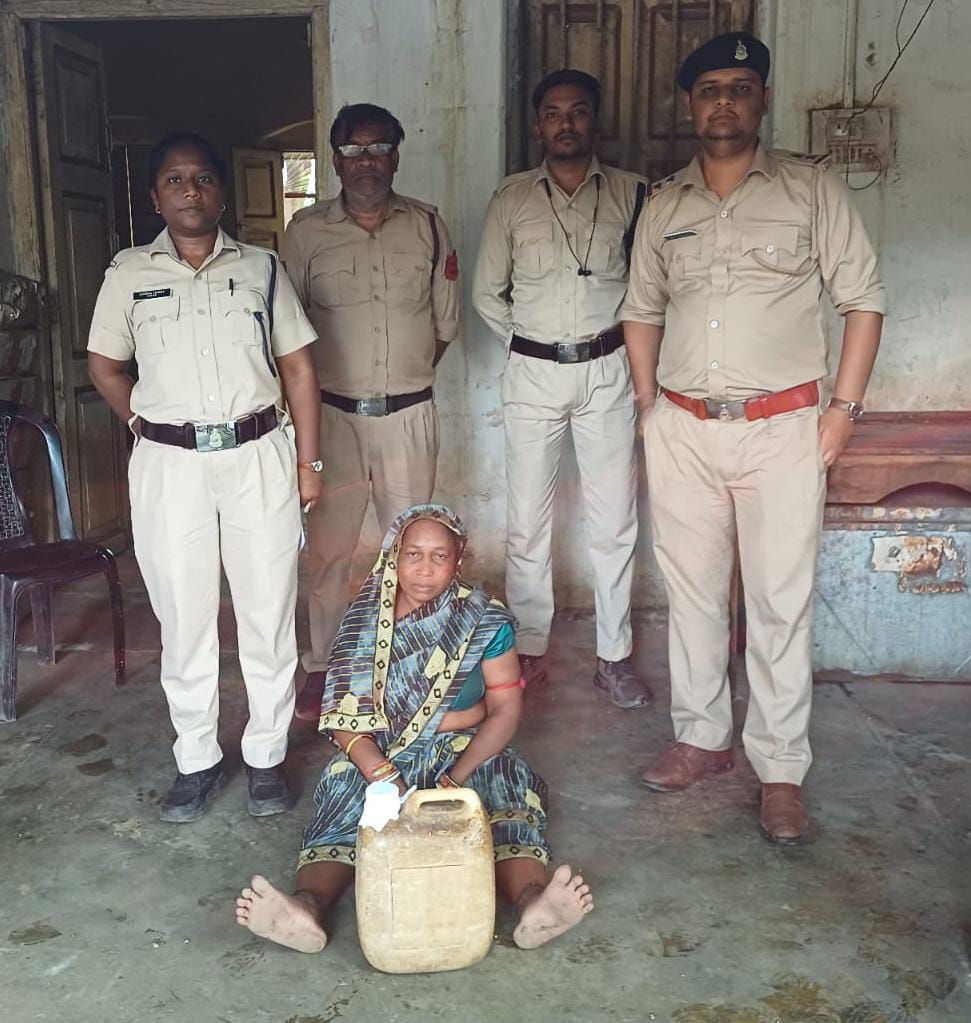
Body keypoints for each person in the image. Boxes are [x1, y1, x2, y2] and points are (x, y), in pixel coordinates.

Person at [622, 32, 886, 843]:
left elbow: (862, 300)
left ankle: (778, 768)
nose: (723, 102)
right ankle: (702, 737)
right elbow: (641, 309)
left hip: (781, 428)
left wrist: (842, 411)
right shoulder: (664, 204)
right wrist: (648, 407)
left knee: (778, 601)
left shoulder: (810, 190)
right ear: (689, 104)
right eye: (709, 89)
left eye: (739, 87)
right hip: (683, 426)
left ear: (762, 99)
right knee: (693, 593)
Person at [87, 131, 323, 823]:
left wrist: (309, 465)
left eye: (202, 178)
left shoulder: (262, 268)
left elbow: (299, 367)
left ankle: (266, 755)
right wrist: (142, 422)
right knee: (183, 615)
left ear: (221, 191)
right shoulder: (127, 273)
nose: (189, 190)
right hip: (169, 465)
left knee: (267, 610)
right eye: (174, 179)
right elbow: (105, 365)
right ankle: (196, 757)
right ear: (155, 196)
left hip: (258, 454)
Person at [235, 504, 594, 953]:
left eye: (439, 556)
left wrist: (457, 774)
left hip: (462, 749)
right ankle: (308, 907)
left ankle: (533, 902)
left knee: (504, 784)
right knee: (345, 791)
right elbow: (342, 716)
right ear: (395, 556)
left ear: (458, 560)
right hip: (382, 751)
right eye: (413, 555)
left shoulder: (483, 620)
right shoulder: (364, 620)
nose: (425, 569)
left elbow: (504, 709)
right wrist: (380, 773)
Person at [472, 69, 651, 708]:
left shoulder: (634, 194)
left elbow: (650, 291)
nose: (565, 123)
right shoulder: (512, 199)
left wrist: (618, 352)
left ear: (595, 121)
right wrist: (531, 344)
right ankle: (528, 650)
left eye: (577, 111)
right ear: (537, 125)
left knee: (615, 520)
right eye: (553, 113)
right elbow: (486, 294)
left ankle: (614, 657)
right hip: (533, 372)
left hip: (608, 368)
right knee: (527, 521)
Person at [281, 104, 459, 721]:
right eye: (353, 150)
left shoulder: (429, 225)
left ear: (396, 156)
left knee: (415, 550)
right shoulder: (305, 233)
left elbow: (443, 327)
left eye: (378, 147)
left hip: (408, 417)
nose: (366, 161)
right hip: (332, 419)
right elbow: (288, 333)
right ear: (335, 161)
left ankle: (409, 667)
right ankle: (324, 668)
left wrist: (400, 382)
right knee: (329, 552)